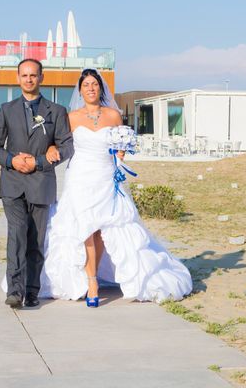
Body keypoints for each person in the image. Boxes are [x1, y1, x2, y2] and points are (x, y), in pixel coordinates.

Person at [40, 68, 192, 307]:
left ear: (100, 88)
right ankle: (91, 282)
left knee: (102, 229)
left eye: (94, 84)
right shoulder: (71, 117)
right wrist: (50, 149)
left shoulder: (113, 115)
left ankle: (96, 274)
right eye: (86, 84)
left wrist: (121, 153)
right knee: (84, 229)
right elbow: (55, 142)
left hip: (106, 176)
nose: (90, 88)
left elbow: (120, 146)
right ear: (80, 90)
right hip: (80, 176)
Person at [0, 59, 74, 309]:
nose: (29, 79)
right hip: (12, 185)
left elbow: (67, 145)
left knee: (36, 240)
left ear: (41, 78)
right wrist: (12, 160)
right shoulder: (6, 109)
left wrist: (39, 162)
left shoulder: (56, 111)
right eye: (24, 75)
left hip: (41, 183)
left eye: (33, 75)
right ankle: (14, 291)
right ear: (18, 78)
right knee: (17, 235)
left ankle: (32, 290)